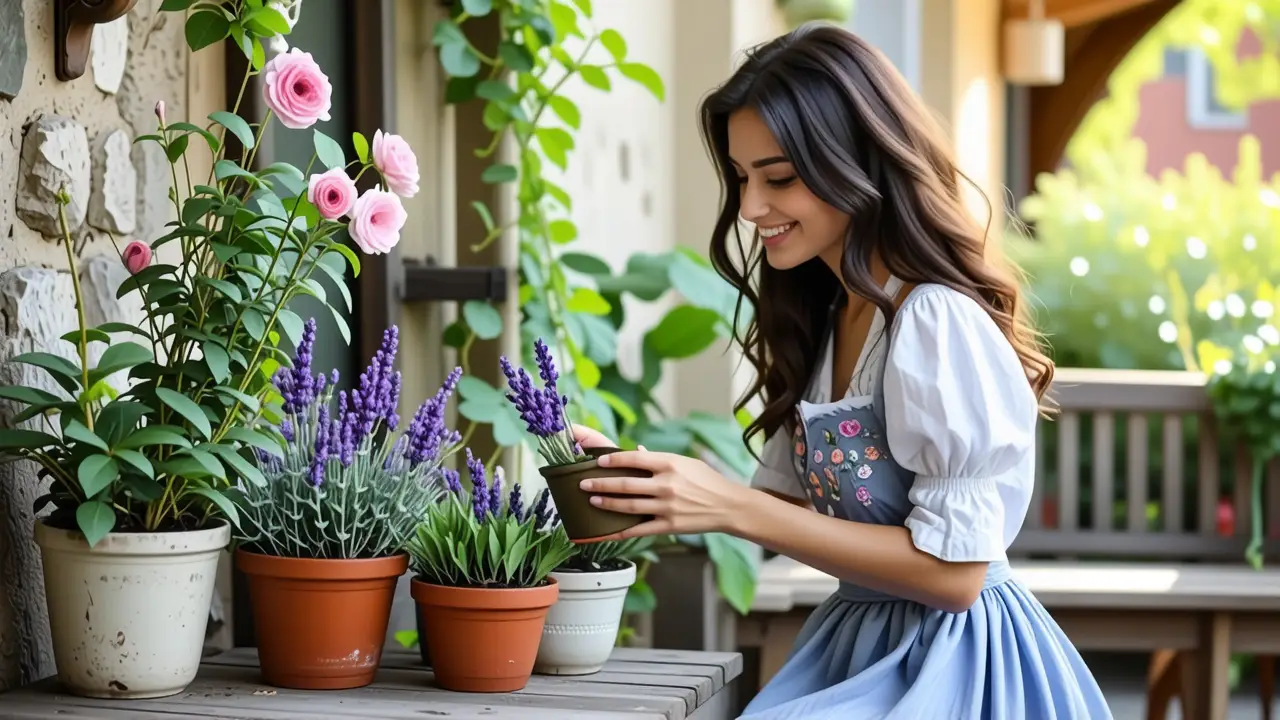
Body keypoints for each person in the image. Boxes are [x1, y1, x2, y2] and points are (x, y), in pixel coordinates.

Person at [568, 22, 1113, 720]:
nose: (750, 209)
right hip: (864, 641)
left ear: (856, 164)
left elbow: (956, 575)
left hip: (954, 664)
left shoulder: (932, 320)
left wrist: (730, 506)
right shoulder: (830, 318)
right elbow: (803, 519)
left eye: (780, 178)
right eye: (740, 178)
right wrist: (664, 491)